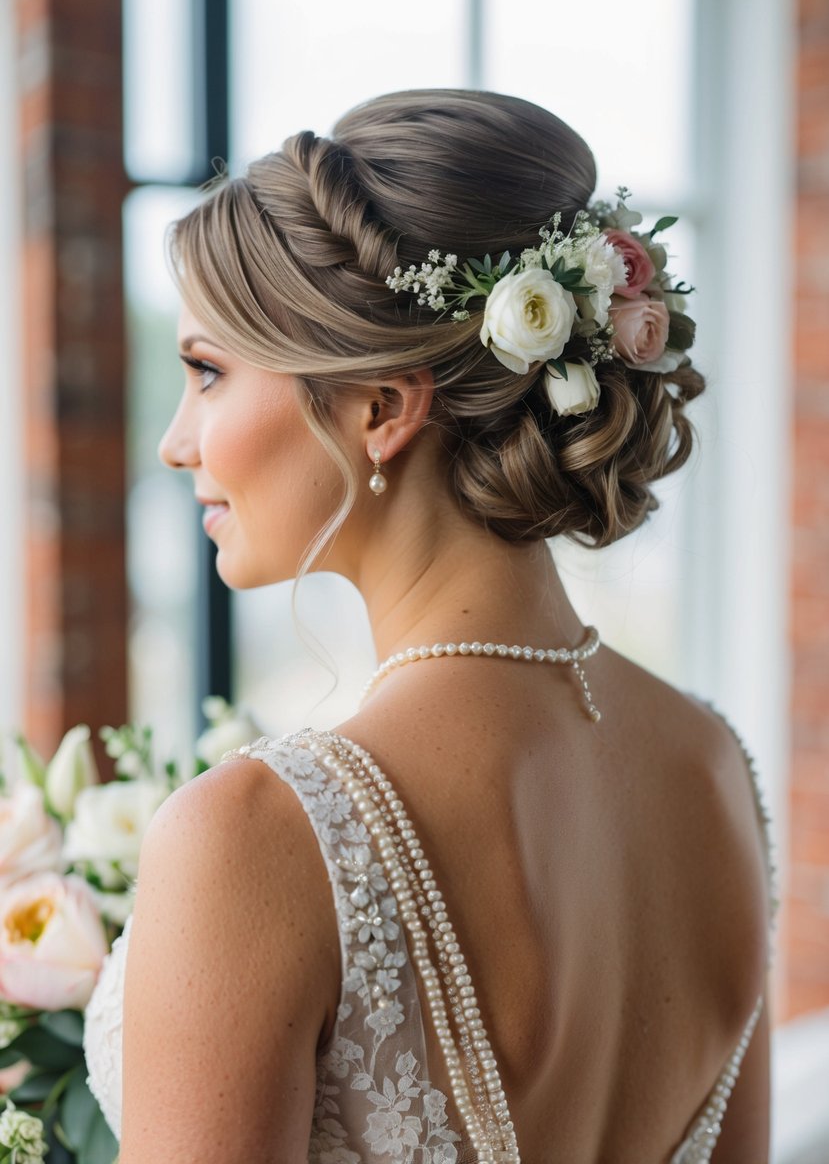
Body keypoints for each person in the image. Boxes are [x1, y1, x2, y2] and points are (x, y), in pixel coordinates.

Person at [83, 89, 776, 1162]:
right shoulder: (710, 765)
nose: (178, 441)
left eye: (209, 371)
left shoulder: (252, 840)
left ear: (381, 408)